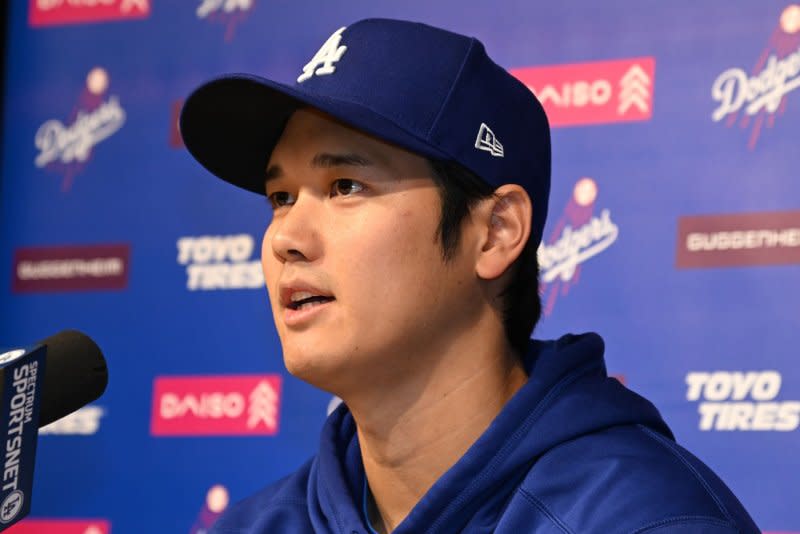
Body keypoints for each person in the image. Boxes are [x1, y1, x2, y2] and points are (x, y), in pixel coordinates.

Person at [180, 18, 759, 534]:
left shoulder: (650, 520)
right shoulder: (254, 524)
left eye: (345, 188)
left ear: (496, 233)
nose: (286, 239)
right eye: (280, 197)